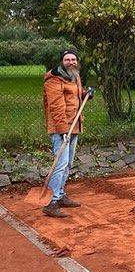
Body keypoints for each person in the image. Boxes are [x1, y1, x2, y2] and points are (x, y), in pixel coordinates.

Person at [42, 49, 94, 218]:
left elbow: (74, 97)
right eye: (67, 59)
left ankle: (61, 194)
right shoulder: (54, 79)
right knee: (60, 164)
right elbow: (56, 106)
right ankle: (52, 202)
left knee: (68, 163)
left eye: (73, 59)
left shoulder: (74, 76)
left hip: (75, 125)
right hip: (61, 128)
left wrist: (86, 94)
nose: (71, 62)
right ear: (61, 61)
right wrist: (62, 129)